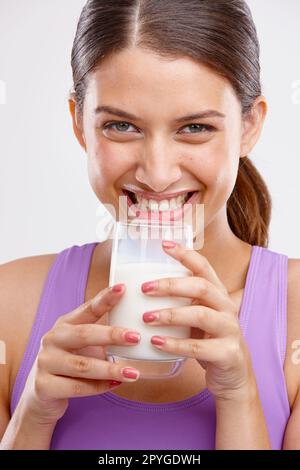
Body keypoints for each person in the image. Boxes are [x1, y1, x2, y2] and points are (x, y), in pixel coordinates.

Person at [0, 0, 299, 450]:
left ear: (249, 125)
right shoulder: (9, 306)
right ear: (80, 125)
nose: (157, 174)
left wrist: (239, 394)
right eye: (122, 126)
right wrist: (33, 416)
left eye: (195, 128)